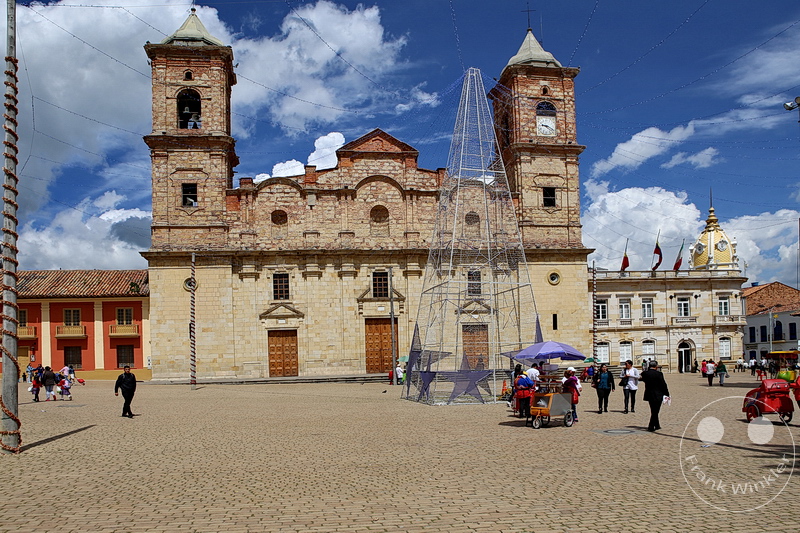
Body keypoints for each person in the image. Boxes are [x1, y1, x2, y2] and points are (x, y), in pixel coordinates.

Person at [640, 360, 670, 432]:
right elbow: (663, 384)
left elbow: (642, 379)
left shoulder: (645, 373)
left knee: (653, 410)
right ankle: (651, 426)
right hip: (658, 394)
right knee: (655, 411)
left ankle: (657, 425)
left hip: (649, 394)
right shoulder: (659, 374)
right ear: (656, 366)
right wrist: (667, 393)